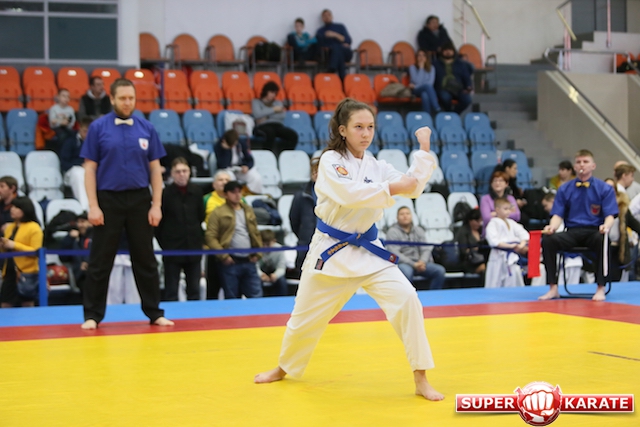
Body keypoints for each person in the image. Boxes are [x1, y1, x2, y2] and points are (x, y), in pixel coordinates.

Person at [254, 98, 444, 402]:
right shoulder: (329, 161)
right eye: (358, 127)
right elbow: (350, 194)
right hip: (331, 251)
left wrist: (423, 152)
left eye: (370, 127)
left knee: (408, 299)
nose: (366, 133)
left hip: (369, 251)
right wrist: (394, 188)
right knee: (304, 319)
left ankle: (421, 377)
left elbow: (413, 187)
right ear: (342, 130)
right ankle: (283, 367)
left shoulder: (377, 166)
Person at [79, 78, 173, 329]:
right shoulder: (98, 128)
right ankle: (92, 315)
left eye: (131, 98)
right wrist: (93, 205)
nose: (127, 102)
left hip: (140, 198)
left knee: (146, 259)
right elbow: (89, 169)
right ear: (112, 99)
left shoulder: (146, 128)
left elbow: (156, 170)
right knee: (100, 260)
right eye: (122, 98)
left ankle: (154, 312)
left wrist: (156, 204)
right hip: (108, 199)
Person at [538, 149, 618, 302]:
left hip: (594, 231)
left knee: (603, 240)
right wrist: (551, 227)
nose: (582, 165)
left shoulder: (604, 188)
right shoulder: (564, 189)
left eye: (585, 162)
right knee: (549, 240)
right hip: (572, 232)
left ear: (593, 166)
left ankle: (600, 287)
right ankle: (553, 288)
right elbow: (557, 215)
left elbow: (610, 215)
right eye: (579, 162)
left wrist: (606, 226)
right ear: (574, 166)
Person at [156, 157, 205, 301]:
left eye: (184, 171)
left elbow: (200, 216)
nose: (181, 174)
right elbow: (159, 223)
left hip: (193, 247)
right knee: (171, 290)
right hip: (172, 248)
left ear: (189, 172)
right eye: (178, 171)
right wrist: (165, 244)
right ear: (172, 173)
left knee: (194, 290)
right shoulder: (164, 194)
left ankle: (194, 314)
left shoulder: (197, 191)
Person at [205, 181, 263, 299]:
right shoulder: (218, 212)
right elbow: (210, 236)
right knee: (232, 298)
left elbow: (255, 233)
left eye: (239, 191)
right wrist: (223, 256)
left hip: (249, 259)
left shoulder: (248, 210)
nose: (237, 195)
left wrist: (258, 253)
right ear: (225, 194)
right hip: (230, 261)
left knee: (256, 296)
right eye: (233, 192)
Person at [386, 206, 446, 289]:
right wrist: (413, 264)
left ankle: (433, 295)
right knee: (406, 273)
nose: (405, 216)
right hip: (403, 263)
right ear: (397, 217)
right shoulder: (392, 232)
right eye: (402, 214)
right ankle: (408, 295)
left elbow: (425, 249)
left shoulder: (419, 230)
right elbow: (394, 253)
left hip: (420, 263)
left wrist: (422, 261)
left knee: (439, 271)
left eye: (407, 213)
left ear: (411, 216)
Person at [0, 197, 43, 308]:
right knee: (5, 304)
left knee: (27, 304)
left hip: (27, 272)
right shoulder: (9, 228)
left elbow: (36, 251)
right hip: (9, 271)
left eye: (16, 207)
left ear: (25, 209)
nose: (12, 210)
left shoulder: (34, 228)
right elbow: (7, 250)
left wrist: (14, 245)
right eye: (12, 207)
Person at [484, 197, 529, 288]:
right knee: (495, 282)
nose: (508, 211)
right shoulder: (493, 223)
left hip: (511, 256)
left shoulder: (511, 222)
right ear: (497, 210)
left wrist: (521, 245)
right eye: (505, 209)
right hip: (498, 256)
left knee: (512, 281)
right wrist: (511, 246)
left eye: (509, 209)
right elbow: (493, 241)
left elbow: (524, 234)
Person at [203, 170, 233, 299]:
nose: (224, 182)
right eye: (220, 180)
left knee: (232, 289)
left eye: (227, 180)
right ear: (214, 184)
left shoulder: (239, 199)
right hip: (213, 249)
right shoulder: (206, 199)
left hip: (233, 250)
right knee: (213, 288)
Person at [604, 178, 640, 282]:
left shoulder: (622, 209)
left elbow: (636, 225)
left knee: (616, 278)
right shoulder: (597, 208)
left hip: (618, 249)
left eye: (611, 188)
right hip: (602, 248)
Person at [251, 81, 298, 156]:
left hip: (277, 126)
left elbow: (282, 116)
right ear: (266, 91)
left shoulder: (278, 103)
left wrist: (267, 116)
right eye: (271, 92)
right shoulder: (256, 102)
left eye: (275, 93)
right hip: (263, 126)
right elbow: (257, 114)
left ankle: (284, 156)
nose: (273, 95)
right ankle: (267, 156)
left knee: (292, 135)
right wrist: (274, 110)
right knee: (270, 133)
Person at [290, 157, 319, 275]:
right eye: (313, 171)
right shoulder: (301, 195)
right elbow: (294, 220)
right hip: (306, 243)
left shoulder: (334, 194)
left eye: (318, 171)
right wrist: (304, 234)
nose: (315, 174)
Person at [214, 129, 263, 195]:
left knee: (256, 177)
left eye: (234, 144)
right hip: (226, 170)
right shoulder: (219, 146)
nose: (233, 146)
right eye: (231, 145)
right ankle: (234, 197)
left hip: (240, 169)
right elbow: (223, 165)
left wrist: (247, 166)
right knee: (230, 178)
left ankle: (253, 195)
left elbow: (250, 159)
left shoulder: (242, 143)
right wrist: (226, 150)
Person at [60, 118, 92, 210]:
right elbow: (64, 163)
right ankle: (84, 208)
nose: (87, 134)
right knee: (79, 173)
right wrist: (80, 164)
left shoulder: (96, 143)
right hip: (72, 171)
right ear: (80, 129)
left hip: (91, 170)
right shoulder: (70, 142)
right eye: (85, 131)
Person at [434, 42, 472, 114]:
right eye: (446, 50)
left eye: (450, 50)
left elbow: (466, 77)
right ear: (442, 51)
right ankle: (450, 113)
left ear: (454, 51)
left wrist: (468, 86)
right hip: (443, 89)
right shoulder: (435, 64)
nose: (448, 52)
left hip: (458, 88)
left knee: (467, 100)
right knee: (445, 97)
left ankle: (453, 114)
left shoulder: (460, 64)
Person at [59, 211, 92, 290]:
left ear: (90, 223)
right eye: (78, 222)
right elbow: (63, 257)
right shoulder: (74, 239)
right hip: (80, 277)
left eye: (83, 222)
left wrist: (87, 262)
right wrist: (69, 238)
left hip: (95, 274)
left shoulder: (96, 237)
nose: (80, 225)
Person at [315, 9, 353, 80]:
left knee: (338, 49)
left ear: (332, 17)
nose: (327, 17)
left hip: (346, 53)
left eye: (329, 15)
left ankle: (332, 69)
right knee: (337, 50)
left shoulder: (340, 26)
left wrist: (335, 35)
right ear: (322, 18)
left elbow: (349, 40)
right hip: (330, 55)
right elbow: (320, 46)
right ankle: (342, 78)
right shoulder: (320, 31)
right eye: (325, 16)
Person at [407, 49, 440, 116]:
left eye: (423, 55)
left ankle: (427, 116)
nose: (421, 57)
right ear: (416, 57)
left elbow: (430, 83)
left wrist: (415, 86)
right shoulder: (412, 67)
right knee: (427, 87)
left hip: (423, 89)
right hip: (415, 90)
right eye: (419, 55)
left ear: (426, 57)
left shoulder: (431, 68)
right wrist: (421, 68)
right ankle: (437, 109)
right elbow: (416, 81)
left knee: (425, 95)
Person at [454, 208, 487, 275]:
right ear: (470, 220)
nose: (479, 223)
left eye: (480, 221)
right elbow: (463, 250)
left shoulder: (481, 231)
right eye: (477, 221)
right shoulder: (463, 232)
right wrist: (475, 249)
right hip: (469, 261)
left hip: (483, 258)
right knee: (485, 267)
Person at [257, 229, 288, 297]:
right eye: (263, 244)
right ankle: (258, 299)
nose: (265, 247)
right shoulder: (257, 248)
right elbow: (255, 267)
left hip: (274, 272)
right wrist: (261, 275)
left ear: (274, 241)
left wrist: (276, 275)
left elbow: (281, 267)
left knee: (281, 281)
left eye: (268, 244)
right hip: (261, 272)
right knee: (255, 280)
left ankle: (282, 299)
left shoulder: (279, 249)